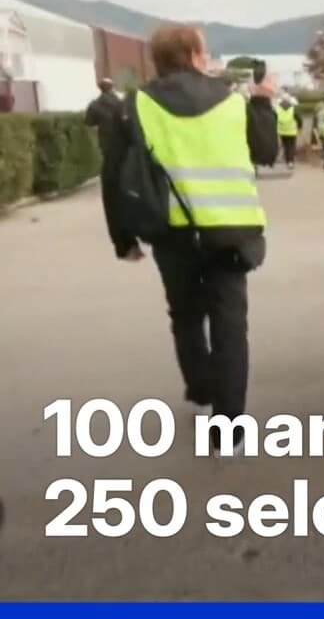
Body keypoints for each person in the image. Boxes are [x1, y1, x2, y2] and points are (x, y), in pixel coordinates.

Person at [101, 24, 277, 455]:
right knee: (231, 326)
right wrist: (264, 104)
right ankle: (230, 427)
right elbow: (267, 152)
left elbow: (115, 174)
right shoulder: (234, 102)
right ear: (196, 55)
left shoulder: (137, 104)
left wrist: (123, 238)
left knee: (184, 314)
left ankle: (200, 387)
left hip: (171, 232)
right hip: (231, 231)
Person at [85, 78, 127, 249]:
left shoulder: (95, 105)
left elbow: (88, 121)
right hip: (123, 143)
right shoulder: (121, 103)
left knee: (111, 174)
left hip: (106, 143)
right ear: (113, 87)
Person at [276, 97, 301, 169]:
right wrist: (299, 127)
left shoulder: (278, 110)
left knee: (286, 147)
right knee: (291, 147)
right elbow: (299, 119)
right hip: (292, 132)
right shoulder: (293, 110)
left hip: (282, 132)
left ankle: (287, 161)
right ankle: (290, 162)